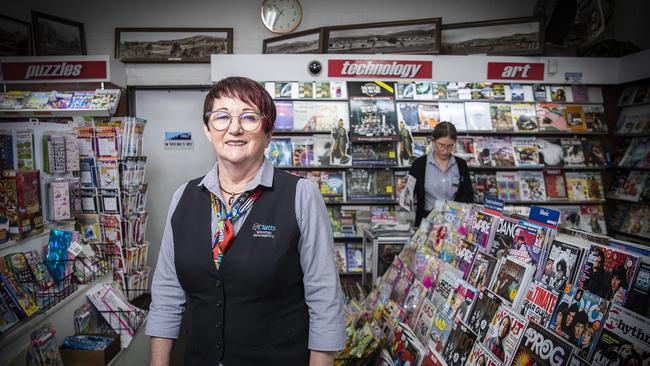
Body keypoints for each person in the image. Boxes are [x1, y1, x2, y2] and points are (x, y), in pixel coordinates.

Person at [146, 77, 345, 366]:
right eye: (222, 116)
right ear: (207, 129)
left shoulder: (301, 196)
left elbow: (325, 299)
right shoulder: (184, 197)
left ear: (268, 132)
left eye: (249, 117)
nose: (234, 128)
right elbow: (167, 292)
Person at [409, 122, 474, 226]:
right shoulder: (419, 165)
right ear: (433, 141)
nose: (445, 151)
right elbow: (409, 196)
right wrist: (403, 188)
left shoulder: (461, 164)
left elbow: (468, 195)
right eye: (441, 145)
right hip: (426, 222)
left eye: (450, 146)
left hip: (454, 222)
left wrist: (453, 208)